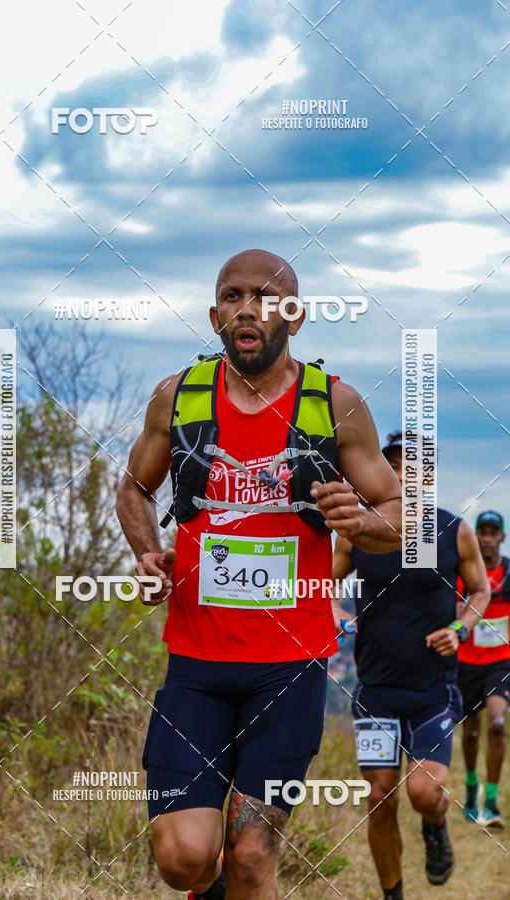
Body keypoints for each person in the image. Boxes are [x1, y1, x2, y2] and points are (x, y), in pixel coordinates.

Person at [116, 249, 402, 900]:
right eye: (235, 295)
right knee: (184, 858)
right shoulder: (179, 397)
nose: (250, 307)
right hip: (195, 666)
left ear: (294, 316)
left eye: (268, 297)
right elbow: (134, 488)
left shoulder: (335, 405)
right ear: (216, 315)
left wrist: (358, 519)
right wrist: (144, 551)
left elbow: (398, 515)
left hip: (290, 671)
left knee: (250, 856)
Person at [332, 431, 489, 900]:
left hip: (432, 692)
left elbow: (479, 590)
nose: (403, 474)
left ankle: (436, 822)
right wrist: (337, 615)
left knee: (423, 793)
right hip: (376, 691)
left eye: (415, 468)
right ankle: (393, 894)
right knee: (380, 799)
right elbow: (320, 584)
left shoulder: (452, 530)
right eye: (394, 464)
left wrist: (460, 629)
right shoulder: (356, 532)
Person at [457, 510, 510, 827]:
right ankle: (471, 786)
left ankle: (490, 801)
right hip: (465, 663)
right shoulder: (466, 574)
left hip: (500, 663)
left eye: (493, 533)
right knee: (472, 731)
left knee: (497, 724)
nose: (487, 539)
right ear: (476, 537)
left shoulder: (509, 572)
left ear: (501, 538)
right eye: (483, 532)